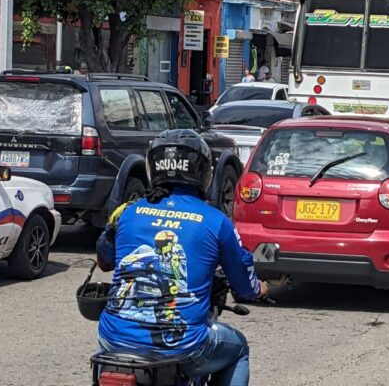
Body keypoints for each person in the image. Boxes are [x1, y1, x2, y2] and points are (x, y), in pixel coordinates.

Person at [96, 129, 267, 386]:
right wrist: (260, 288)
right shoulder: (215, 221)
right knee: (238, 347)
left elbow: (104, 259)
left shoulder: (128, 212)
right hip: (180, 346)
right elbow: (244, 285)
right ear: (203, 173)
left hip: (113, 339)